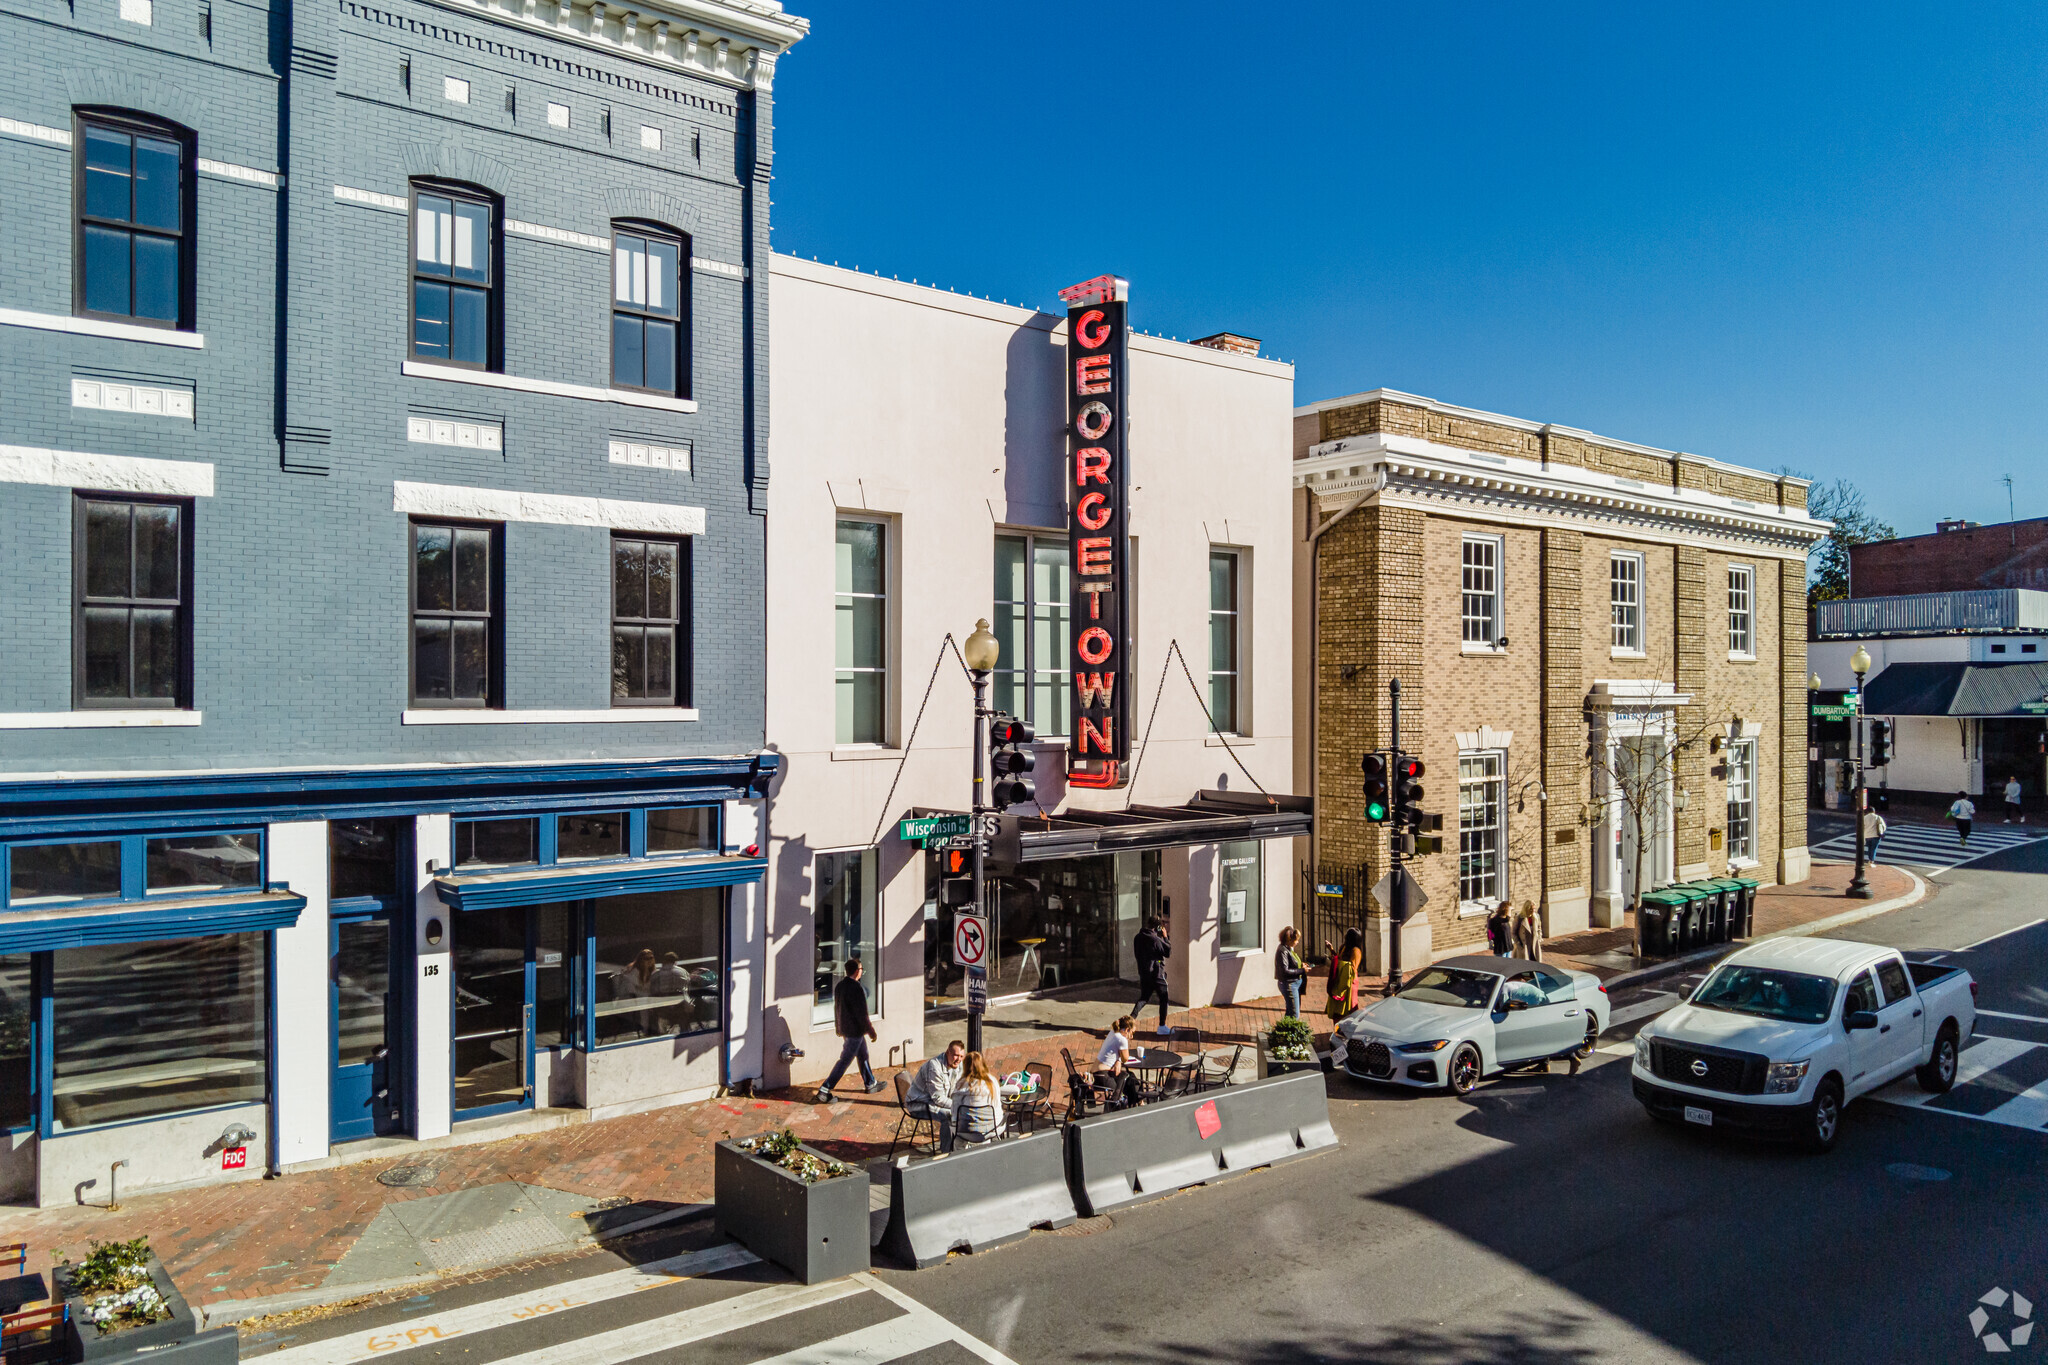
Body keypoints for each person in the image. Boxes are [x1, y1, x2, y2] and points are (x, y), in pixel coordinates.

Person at [816, 958, 884, 1102]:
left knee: (863, 1055)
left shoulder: (840, 986)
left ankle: (870, 1083)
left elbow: (837, 1009)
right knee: (845, 1060)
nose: (862, 972)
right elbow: (862, 1014)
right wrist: (871, 1031)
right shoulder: (856, 988)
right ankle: (825, 1089)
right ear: (856, 971)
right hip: (855, 1031)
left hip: (846, 1029)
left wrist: (838, 1027)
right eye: (861, 969)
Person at [905, 1040, 964, 1150]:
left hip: (935, 1101)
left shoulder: (959, 1065)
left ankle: (957, 1146)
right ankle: (946, 1153)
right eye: (956, 1055)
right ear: (948, 1052)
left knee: (963, 1111)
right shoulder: (934, 1067)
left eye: (961, 1056)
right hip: (919, 1104)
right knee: (949, 1116)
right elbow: (938, 1099)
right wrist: (958, 1105)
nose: (959, 1059)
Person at [951, 1050, 1006, 1147]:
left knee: (957, 1137)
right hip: (992, 1129)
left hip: (967, 1132)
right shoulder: (992, 1081)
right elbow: (997, 1106)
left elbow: (955, 1114)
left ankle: (959, 1155)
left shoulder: (961, 1086)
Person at [1132, 915, 1173, 1037]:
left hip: (1144, 972)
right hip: (1157, 973)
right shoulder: (1155, 940)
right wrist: (1165, 937)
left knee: (1144, 998)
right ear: (1158, 927)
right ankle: (1162, 1026)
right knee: (1164, 997)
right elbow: (1168, 951)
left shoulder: (1138, 937)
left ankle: (1130, 1018)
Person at [1094, 1014, 1144, 1107]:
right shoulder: (1122, 1039)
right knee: (1130, 1080)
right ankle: (1138, 1104)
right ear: (1127, 1029)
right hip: (1104, 1076)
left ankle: (1137, 1103)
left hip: (1097, 1072)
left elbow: (1119, 1057)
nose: (1132, 1036)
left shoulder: (1113, 1032)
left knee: (1130, 1077)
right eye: (1132, 1032)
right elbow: (1126, 1058)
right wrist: (1120, 1060)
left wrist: (1118, 1061)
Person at [1325, 927, 1363, 1024]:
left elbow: (1352, 968)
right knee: (1337, 1005)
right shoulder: (1344, 947)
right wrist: (1331, 950)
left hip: (1349, 981)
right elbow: (1338, 958)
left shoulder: (1356, 951)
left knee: (1348, 1005)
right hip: (1339, 978)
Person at [1275, 926, 1309, 1018]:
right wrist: (1302, 970)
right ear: (1290, 940)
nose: (1297, 942)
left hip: (1294, 983)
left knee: (1290, 1012)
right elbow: (1285, 971)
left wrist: (1301, 965)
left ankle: (1284, 1030)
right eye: (1296, 940)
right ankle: (1292, 1031)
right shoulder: (1283, 951)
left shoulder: (1287, 948)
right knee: (1294, 1014)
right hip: (1290, 985)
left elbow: (1291, 963)